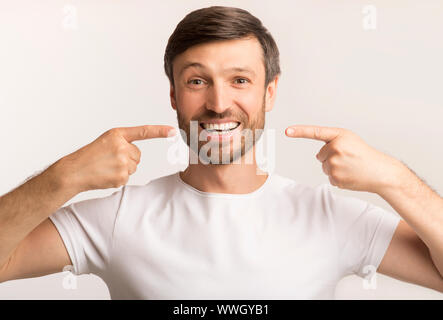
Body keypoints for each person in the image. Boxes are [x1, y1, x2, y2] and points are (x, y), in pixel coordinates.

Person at [0, 6, 442, 299]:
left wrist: (392, 178)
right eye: (197, 81)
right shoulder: (118, 217)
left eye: (240, 80)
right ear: (173, 95)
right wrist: (65, 177)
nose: (217, 103)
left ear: (269, 92)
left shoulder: (331, 217)